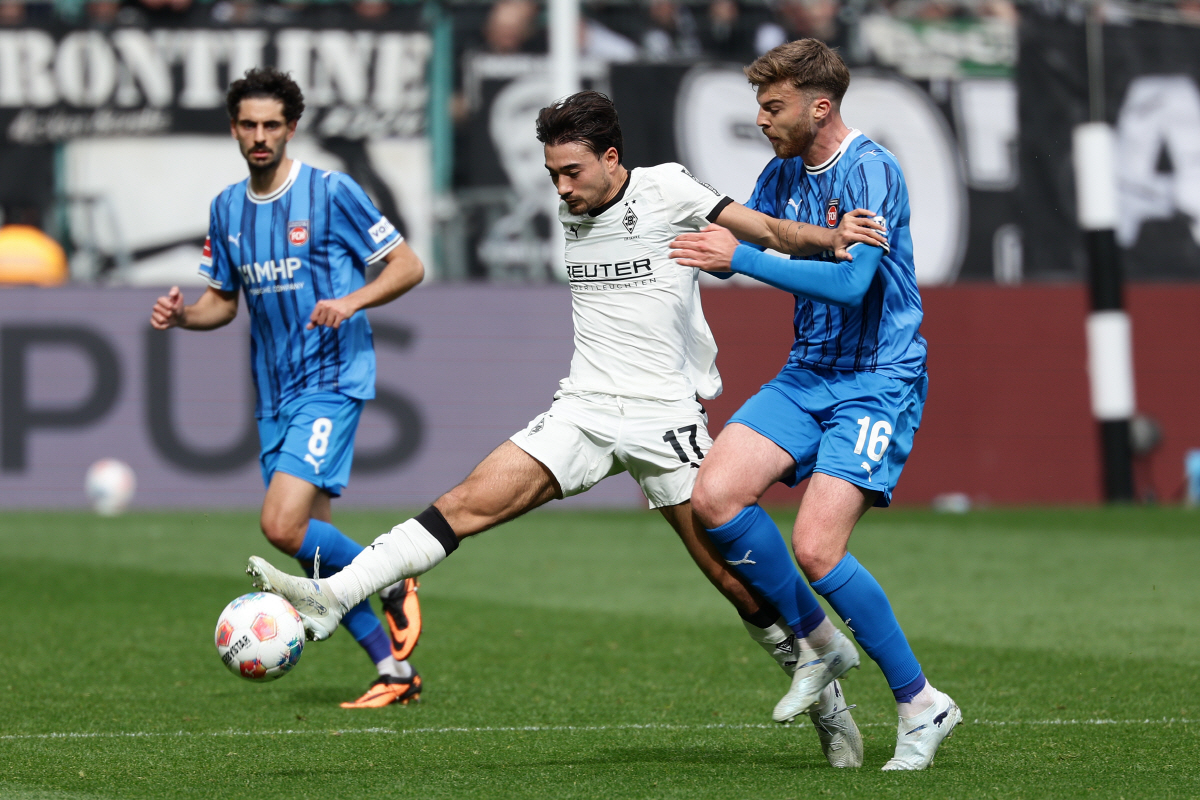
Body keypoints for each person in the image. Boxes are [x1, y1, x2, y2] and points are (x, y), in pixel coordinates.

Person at [247, 90, 886, 767]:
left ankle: (828, 699)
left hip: (664, 415)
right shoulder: (574, 206)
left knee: (734, 583)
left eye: (572, 171)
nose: (560, 187)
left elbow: (765, 230)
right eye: (553, 173)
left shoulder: (667, 188)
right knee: (463, 504)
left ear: (612, 158)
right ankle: (332, 596)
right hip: (583, 409)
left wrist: (831, 239)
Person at [668, 39, 961, 770]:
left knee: (816, 548)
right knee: (715, 497)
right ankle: (821, 643)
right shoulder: (782, 172)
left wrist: (745, 260)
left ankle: (921, 702)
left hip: (877, 380)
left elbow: (848, 285)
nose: (762, 120)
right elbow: (754, 236)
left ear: (818, 106)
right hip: (809, 371)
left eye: (773, 107)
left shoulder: (871, 170)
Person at [150, 68, 426, 709]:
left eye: (271, 124)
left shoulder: (332, 192)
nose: (259, 136)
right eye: (248, 125)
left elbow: (408, 265)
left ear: (291, 128)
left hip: (330, 379)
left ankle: (393, 579)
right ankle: (393, 673)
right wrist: (182, 315)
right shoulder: (225, 208)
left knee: (280, 524)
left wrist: (352, 300)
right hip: (272, 394)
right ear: (234, 129)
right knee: (314, 556)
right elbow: (221, 303)